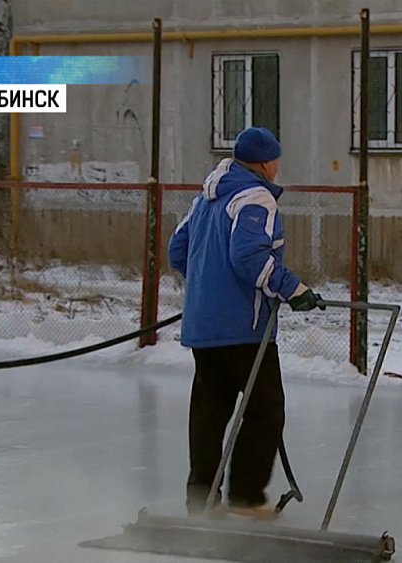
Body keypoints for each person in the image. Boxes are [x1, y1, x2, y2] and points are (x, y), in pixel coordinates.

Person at [167, 126, 323, 519]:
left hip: (203, 326)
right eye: (276, 161)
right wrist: (293, 289)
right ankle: (246, 497)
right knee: (264, 408)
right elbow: (249, 257)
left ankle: (201, 502)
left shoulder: (205, 199)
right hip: (244, 327)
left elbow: (178, 250)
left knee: (209, 412)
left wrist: (209, 287)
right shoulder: (255, 198)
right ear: (266, 162)